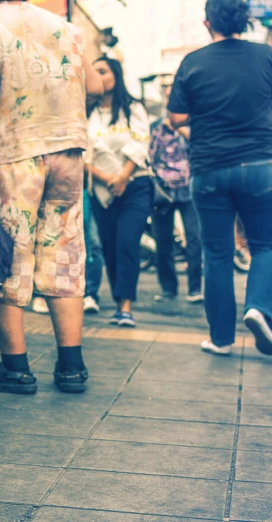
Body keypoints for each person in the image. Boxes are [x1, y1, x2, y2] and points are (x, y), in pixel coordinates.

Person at [0, 0, 103, 394]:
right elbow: (96, 86)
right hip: (69, 154)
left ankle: (15, 367)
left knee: (11, 255)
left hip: (12, 153)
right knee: (66, 253)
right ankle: (72, 366)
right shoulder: (64, 28)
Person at [168, 0, 272, 356]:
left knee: (217, 254)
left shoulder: (192, 62)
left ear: (206, 22)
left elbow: (176, 117)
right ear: (245, 21)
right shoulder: (266, 57)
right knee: (266, 245)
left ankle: (221, 339)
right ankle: (258, 307)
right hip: (261, 167)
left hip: (209, 167)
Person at [87, 57, 152, 328]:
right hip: (101, 191)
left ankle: (125, 306)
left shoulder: (133, 107)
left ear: (116, 75)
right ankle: (117, 299)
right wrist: (107, 178)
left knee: (127, 243)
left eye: (103, 71)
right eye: (94, 72)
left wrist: (123, 177)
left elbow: (141, 142)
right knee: (110, 247)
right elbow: (83, 154)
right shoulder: (88, 113)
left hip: (135, 186)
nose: (98, 76)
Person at [149, 78, 203, 304]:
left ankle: (194, 289)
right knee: (163, 242)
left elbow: (200, 149)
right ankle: (168, 288)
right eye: (168, 95)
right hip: (163, 190)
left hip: (189, 189)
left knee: (195, 239)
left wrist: (180, 129)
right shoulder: (155, 126)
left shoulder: (194, 125)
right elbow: (150, 157)